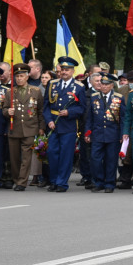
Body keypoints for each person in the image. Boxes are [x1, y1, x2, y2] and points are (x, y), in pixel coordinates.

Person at [45, 56, 85, 192]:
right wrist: (49, 120)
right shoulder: (52, 84)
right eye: (62, 69)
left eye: (67, 70)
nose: (64, 72)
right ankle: (54, 180)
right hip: (53, 125)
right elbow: (46, 106)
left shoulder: (79, 87)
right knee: (51, 153)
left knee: (65, 155)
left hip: (68, 126)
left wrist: (69, 112)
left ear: (72, 71)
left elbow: (82, 108)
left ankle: (62, 183)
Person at [4, 62, 44, 191]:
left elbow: (40, 111)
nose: (19, 79)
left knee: (26, 157)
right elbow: (4, 109)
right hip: (14, 128)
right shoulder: (10, 92)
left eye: (22, 76)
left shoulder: (36, 91)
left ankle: (22, 182)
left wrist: (41, 127)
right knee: (14, 157)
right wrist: (7, 112)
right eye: (17, 76)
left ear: (27, 77)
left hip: (30, 128)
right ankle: (16, 178)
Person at [84, 73, 124, 192]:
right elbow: (89, 118)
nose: (104, 87)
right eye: (102, 84)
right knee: (95, 158)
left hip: (113, 134)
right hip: (97, 133)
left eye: (107, 85)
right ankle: (98, 182)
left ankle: (110, 183)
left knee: (111, 160)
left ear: (112, 85)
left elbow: (122, 118)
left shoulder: (119, 97)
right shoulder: (94, 97)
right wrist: (87, 133)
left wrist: (123, 134)